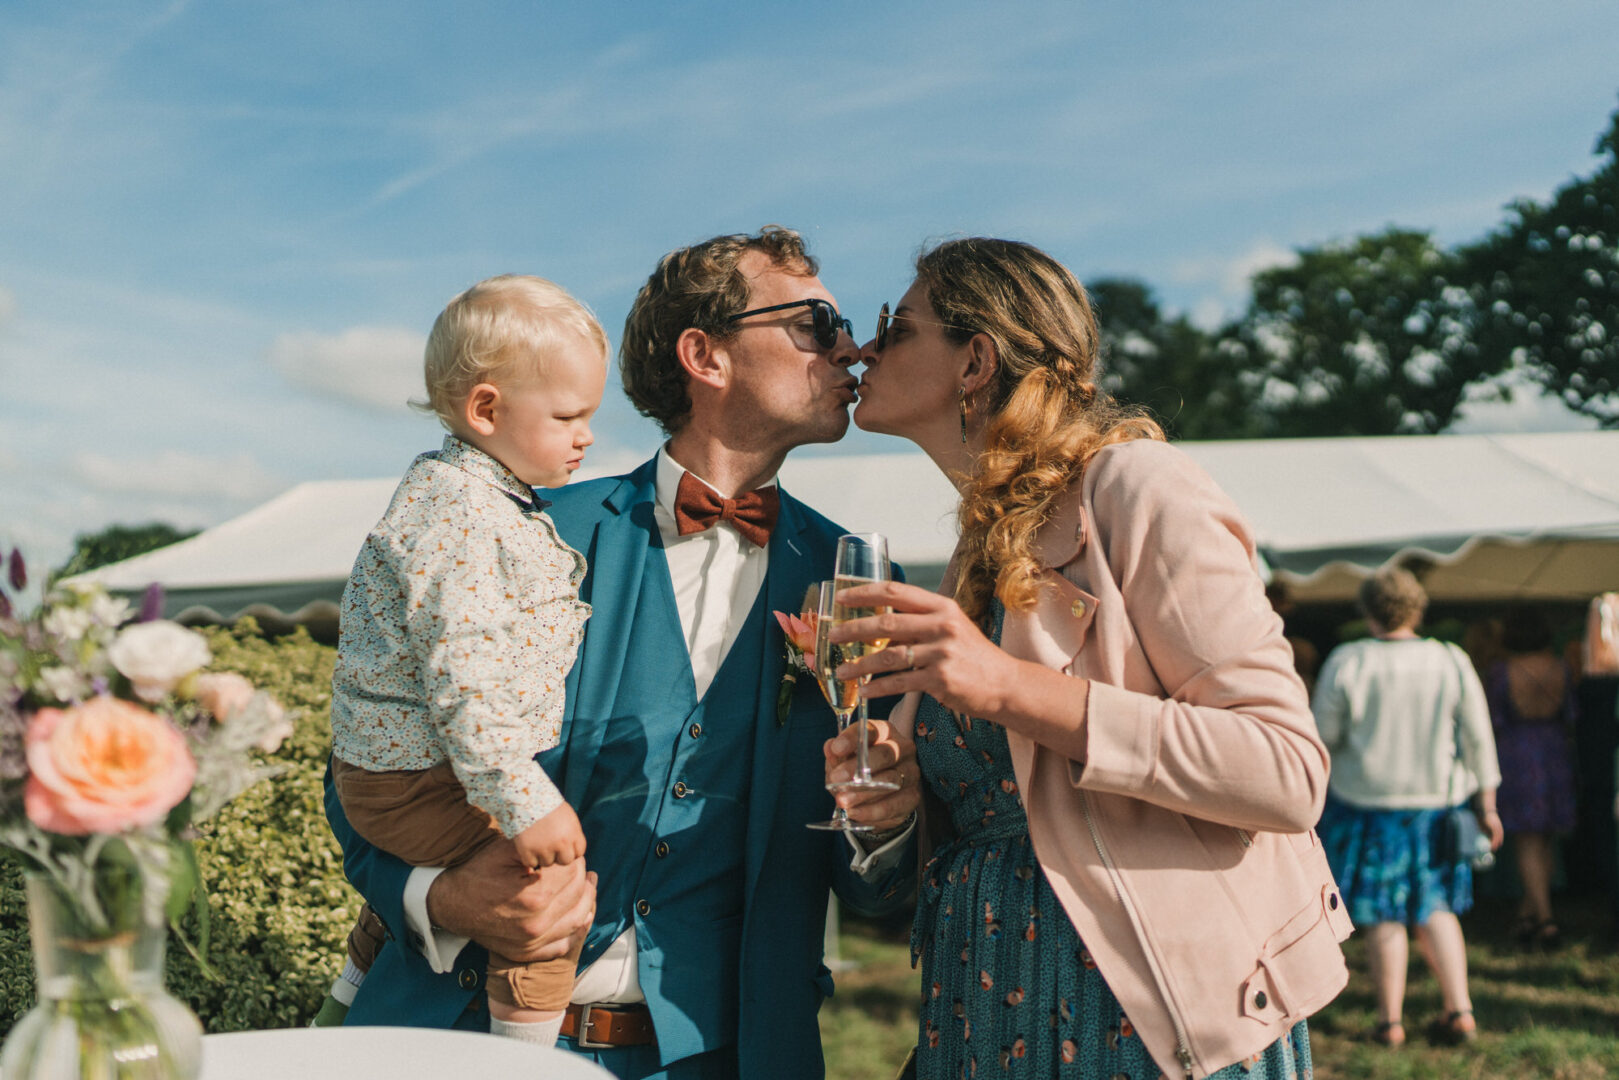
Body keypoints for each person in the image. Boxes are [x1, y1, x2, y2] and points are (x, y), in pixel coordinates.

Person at [325, 227, 921, 1080]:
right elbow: (367, 765)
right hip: (457, 1037)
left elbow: (871, 886)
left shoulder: (856, 582)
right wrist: (442, 897)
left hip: (727, 1058)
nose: (851, 348)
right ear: (705, 355)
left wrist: (885, 825)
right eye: (815, 323)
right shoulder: (517, 532)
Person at [829, 237, 1349, 1080]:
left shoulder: (1137, 487)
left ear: (975, 360)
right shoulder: (976, 551)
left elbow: (1283, 772)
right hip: (981, 1011)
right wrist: (894, 809)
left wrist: (1008, 687)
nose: (861, 348)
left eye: (895, 326)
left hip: (1139, 1025)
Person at [320, 274, 605, 1045]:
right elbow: (465, 688)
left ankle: (334, 1013)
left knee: (455, 881)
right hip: (418, 777)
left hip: (409, 768)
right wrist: (528, 803)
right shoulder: (463, 519)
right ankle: (521, 1062)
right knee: (546, 904)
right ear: (486, 409)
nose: (586, 436)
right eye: (568, 416)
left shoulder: (464, 494)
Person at [1310, 568, 1503, 1047]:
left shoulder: (1348, 660)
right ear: (1417, 608)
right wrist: (1488, 804)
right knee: (1438, 907)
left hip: (1367, 807)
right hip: (1437, 808)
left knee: (1383, 914)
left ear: (1368, 610)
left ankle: (1390, 1023)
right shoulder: (1450, 659)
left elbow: (1321, 737)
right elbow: (1479, 738)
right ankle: (1460, 1010)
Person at [1488, 606, 1578, 948]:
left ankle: (1545, 920)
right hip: (1554, 751)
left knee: (1527, 840)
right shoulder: (1561, 667)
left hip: (1518, 754)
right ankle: (1528, 916)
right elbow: (1572, 713)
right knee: (1545, 838)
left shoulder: (1503, 671)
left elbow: (1495, 717)